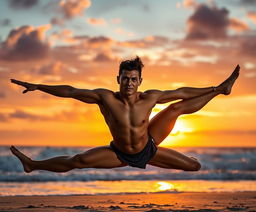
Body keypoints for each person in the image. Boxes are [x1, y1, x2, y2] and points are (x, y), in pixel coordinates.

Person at [10, 56, 240, 173]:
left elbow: (182, 92)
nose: (129, 83)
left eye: (133, 79)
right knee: (77, 161)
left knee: (178, 115)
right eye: (125, 78)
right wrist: (39, 86)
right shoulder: (106, 98)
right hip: (119, 153)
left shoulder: (149, 97)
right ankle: (33, 164)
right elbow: (71, 91)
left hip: (149, 146)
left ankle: (222, 90)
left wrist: (214, 88)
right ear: (117, 79)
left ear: (140, 81)